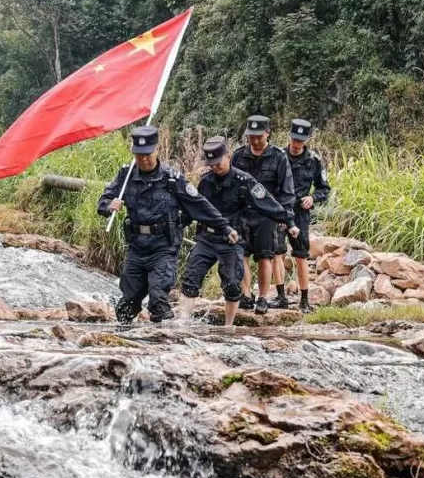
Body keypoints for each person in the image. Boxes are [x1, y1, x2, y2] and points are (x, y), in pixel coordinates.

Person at [97, 125, 232, 325]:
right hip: (136, 248)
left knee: (158, 297)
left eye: (147, 154)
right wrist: (109, 205)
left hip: (163, 248)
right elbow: (103, 202)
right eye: (138, 154)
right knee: (127, 304)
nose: (143, 159)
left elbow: (199, 204)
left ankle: (167, 340)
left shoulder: (172, 178)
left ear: (156, 150)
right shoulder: (126, 176)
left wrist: (225, 227)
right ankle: (127, 345)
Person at [179, 137, 299, 326]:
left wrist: (289, 221)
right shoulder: (206, 182)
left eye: (218, 163)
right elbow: (194, 209)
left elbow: (267, 203)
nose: (215, 167)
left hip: (232, 240)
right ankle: (183, 323)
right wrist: (177, 225)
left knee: (233, 285)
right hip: (207, 239)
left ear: (228, 156)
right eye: (211, 164)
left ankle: (228, 326)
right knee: (190, 278)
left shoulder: (244, 180)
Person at [231, 115, 296, 314]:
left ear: (267, 134)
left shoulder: (278, 156)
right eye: (251, 136)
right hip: (242, 213)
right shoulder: (238, 156)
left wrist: (284, 217)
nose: (255, 140)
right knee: (240, 253)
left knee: (264, 257)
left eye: (259, 136)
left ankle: (262, 297)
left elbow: (287, 190)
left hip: (267, 215)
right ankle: (246, 294)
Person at [274, 118, 331, 312]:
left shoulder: (313, 160)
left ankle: (304, 301)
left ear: (306, 139)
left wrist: (313, 198)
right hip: (280, 210)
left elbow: (325, 189)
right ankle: (281, 298)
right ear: (289, 137)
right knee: (277, 252)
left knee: (301, 255)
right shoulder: (278, 156)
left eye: (300, 140)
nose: (296, 143)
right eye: (294, 139)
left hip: (300, 212)